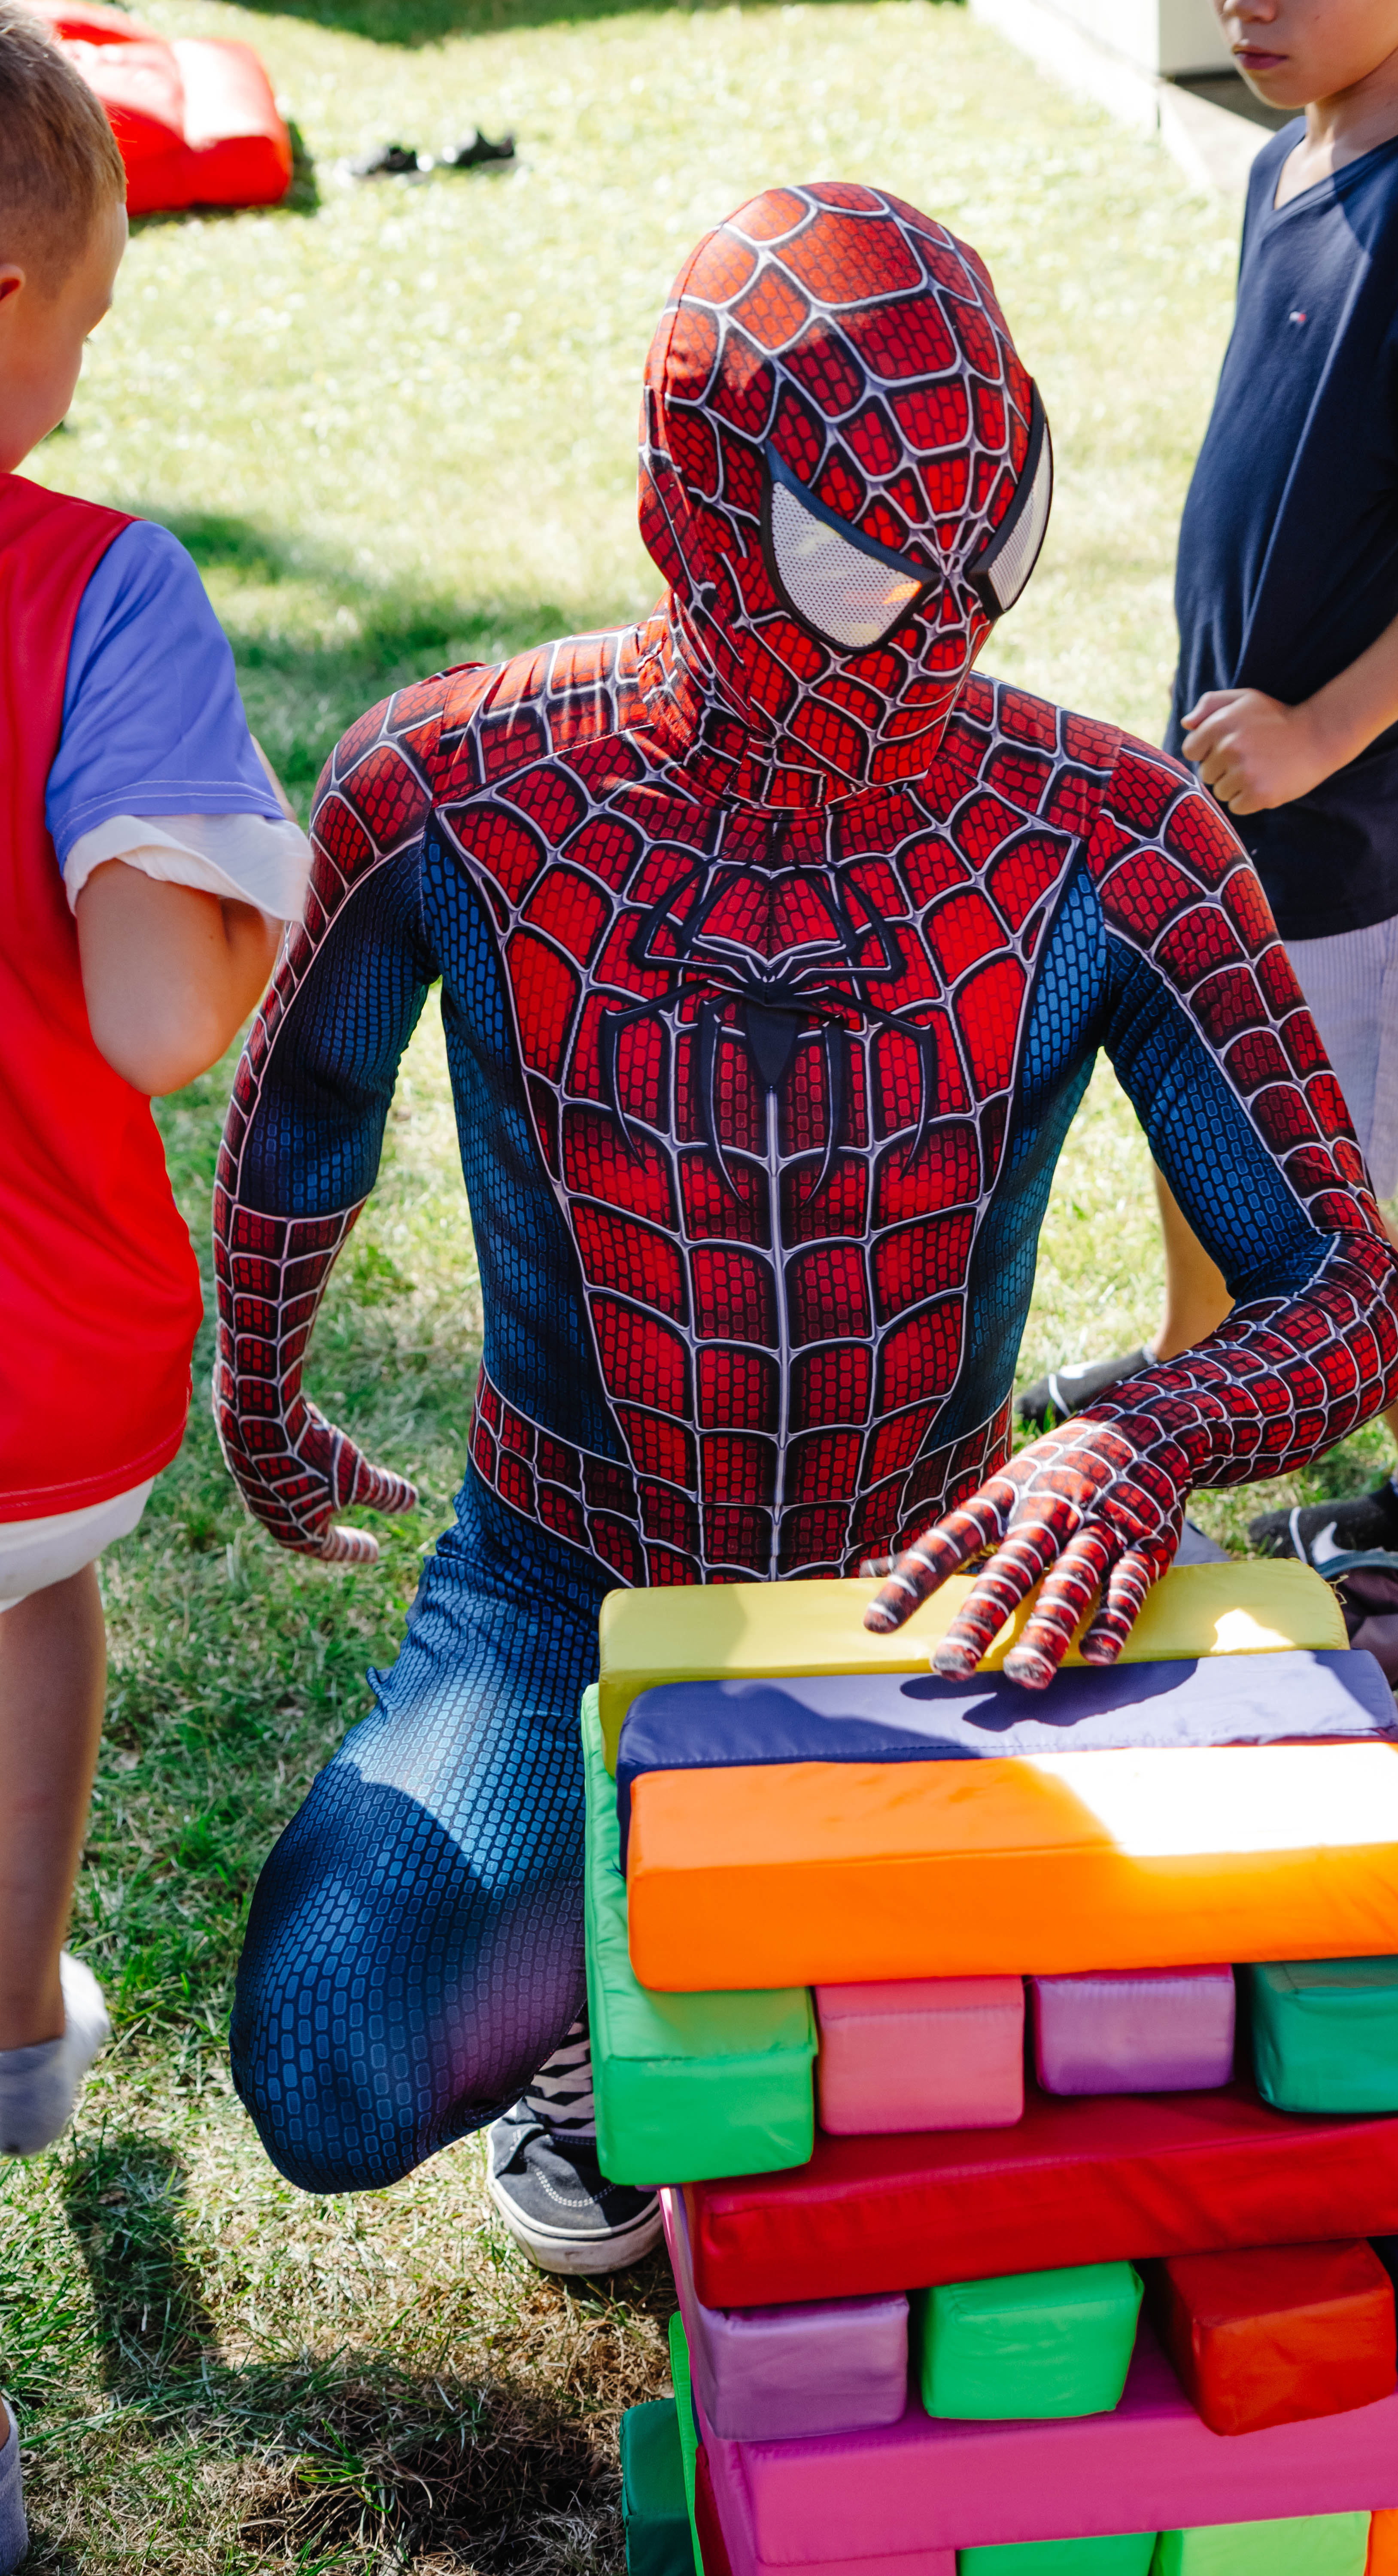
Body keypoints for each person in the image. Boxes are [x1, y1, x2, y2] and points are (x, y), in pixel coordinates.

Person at [213, 179, 1398, 2278]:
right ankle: (613, 1994)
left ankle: (771, 1980)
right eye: (862, 567)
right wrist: (259, 1379)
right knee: (333, 2059)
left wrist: (1143, 1440)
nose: (939, 628)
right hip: (565, 1573)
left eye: (989, 548)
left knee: (1078, 2105)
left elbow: (1346, 1283)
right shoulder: (460, 792)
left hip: (942, 1584)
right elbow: (303, 1102)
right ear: (688, 515)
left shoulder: (1106, 839)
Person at [1024, 0, 1398, 1595]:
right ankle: (1188, 1370)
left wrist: (1321, 731)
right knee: (1196, 1092)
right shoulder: (1293, 159)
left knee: (1324, 1204)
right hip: (1237, 801)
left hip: (1350, 830)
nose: (1243, 2)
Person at [0, 11, 308, 2550]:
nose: (88, 380)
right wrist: (246, 899)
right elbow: (149, 1017)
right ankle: (12, 2019)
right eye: (89, 323)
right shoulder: (96, 586)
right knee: (32, 1600)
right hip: (29, 1379)